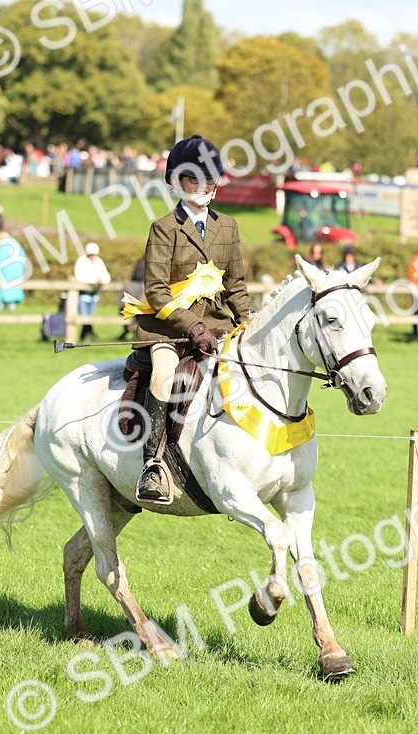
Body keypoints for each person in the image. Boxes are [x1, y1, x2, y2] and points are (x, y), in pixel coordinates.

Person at [129, 134, 251, 505]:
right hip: (169, 330)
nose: (202, 187)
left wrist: (248, 321)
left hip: (218, 327)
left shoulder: (228, 227)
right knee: (166, 379)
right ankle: (154, 464)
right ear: (177, 182)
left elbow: (237, 286)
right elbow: (157, 292)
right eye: (192, 179)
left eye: (209, 179)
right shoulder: (165, 228)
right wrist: (192, 327)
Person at [73, 242, 111, 340]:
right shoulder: (81, 261)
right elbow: (80, 276)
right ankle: (89, 334)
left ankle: (86, 334)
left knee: (90, 316)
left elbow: (105, 275)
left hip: (94, 293)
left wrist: (102, 280)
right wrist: (94, 280)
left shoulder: (99, 262)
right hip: (83, 294)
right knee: (85, 316)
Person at [0, 232, 28, 311]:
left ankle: (0, 307)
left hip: (4, 274)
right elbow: (23, 259)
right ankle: (12, 307)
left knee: (2, 290)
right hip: (17, 273)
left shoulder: (2, 247)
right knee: (14, 290)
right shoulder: (16, 245)